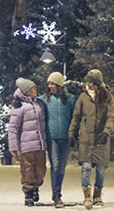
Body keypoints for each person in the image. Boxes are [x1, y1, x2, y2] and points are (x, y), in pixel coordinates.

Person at [68, 69, 114, 210]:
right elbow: (76, 117)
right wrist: (71, 133)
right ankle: (87, 196)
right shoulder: (83, 98)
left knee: (101, 169)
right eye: (87, 81)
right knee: (86, 167)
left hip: (101, 139)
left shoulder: (108, 98)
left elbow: (111, 116)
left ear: (97, 84)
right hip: (86, 139)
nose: (87, 84)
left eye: (91, 82)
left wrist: (107, 131)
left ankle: (97, 195)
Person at [38, 71, 75, 208]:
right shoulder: (43, 100)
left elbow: (74, 118)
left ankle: (56, 192)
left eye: (52, 83)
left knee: (61, 168)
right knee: (55, 166)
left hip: (65, 137)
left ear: (59, 85)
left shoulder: (70, 99)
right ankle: (57, 194)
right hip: (51, 137)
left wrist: (73, 133)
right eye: (48, 83)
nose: (50, 86)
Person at [8, 77, 48, 206]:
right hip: (26, 146)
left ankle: (36, 187)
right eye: (32, 88)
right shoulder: (19, 107)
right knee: (27, 170)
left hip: (40, 144)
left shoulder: (39, 104)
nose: (35, 90)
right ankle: (28, 191)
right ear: (26, 91)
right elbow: (13, 128)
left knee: (41, 170)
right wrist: (13, 146)